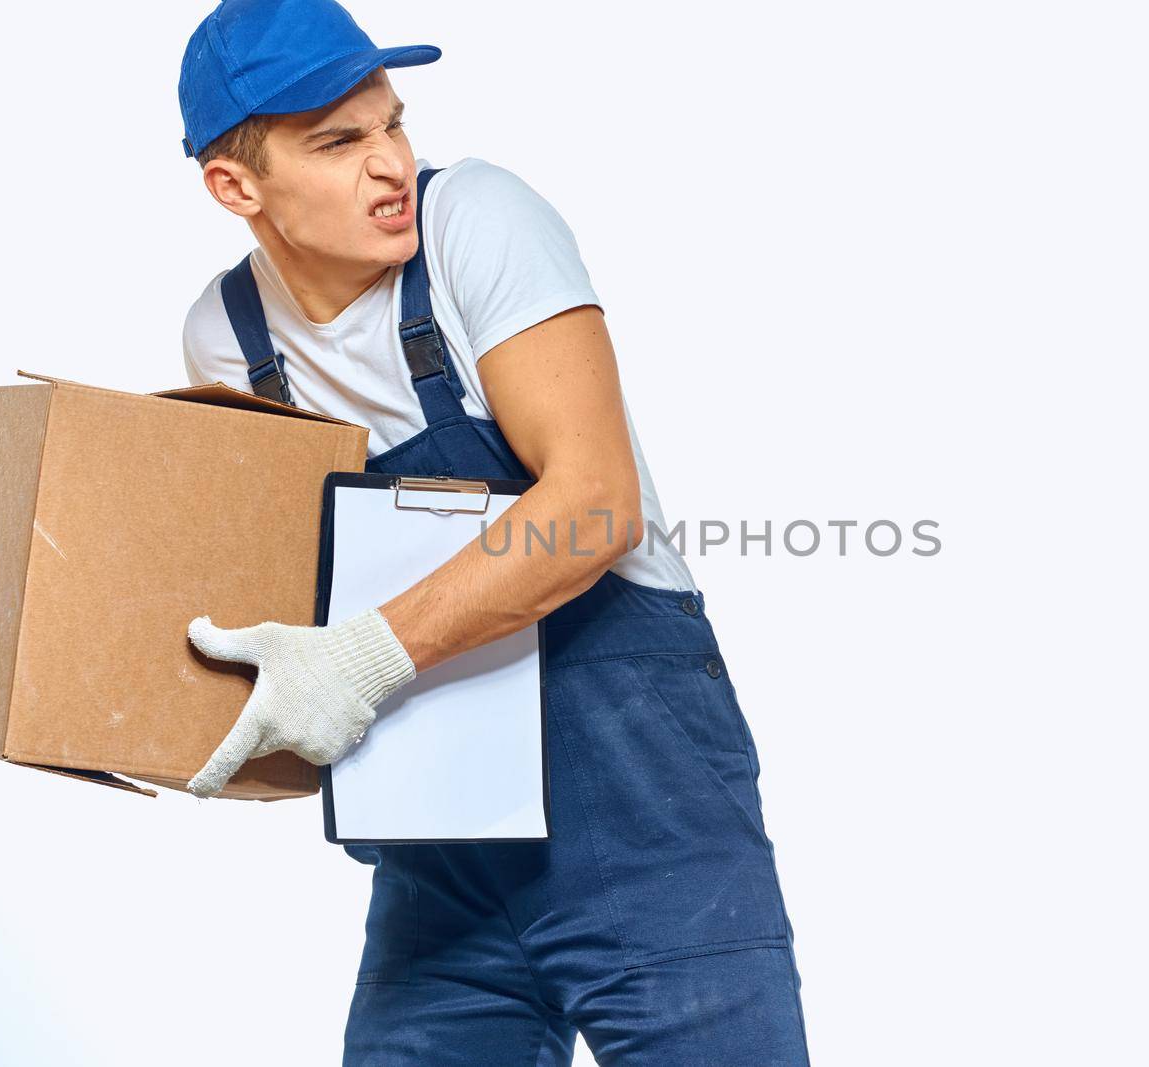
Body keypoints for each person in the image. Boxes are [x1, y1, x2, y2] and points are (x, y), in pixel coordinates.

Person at [175, 2, 810, 1063]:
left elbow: (593, 505)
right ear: (237, 187)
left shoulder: (477, 219)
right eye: (339, 142)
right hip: (444, 844)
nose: (390, 165)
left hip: (645, 810)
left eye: (392, 123)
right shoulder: (230, 338)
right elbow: (280, 589)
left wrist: (364, 658)